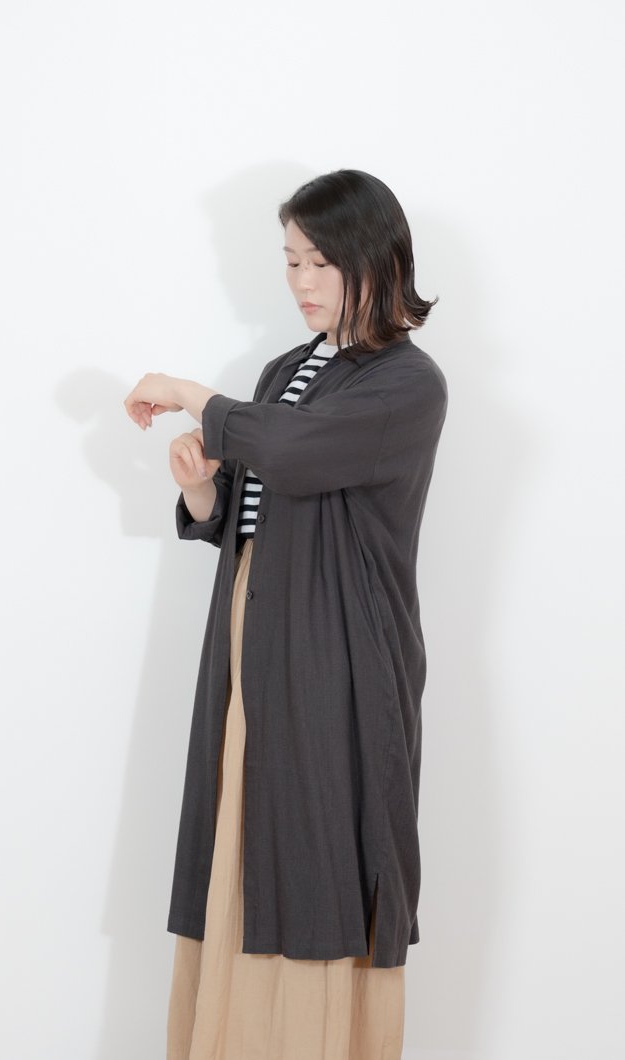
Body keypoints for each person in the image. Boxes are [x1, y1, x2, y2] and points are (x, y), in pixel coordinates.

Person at [123, 169, 449, 1060]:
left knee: (317, 837)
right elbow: (253, 504)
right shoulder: (283, 369)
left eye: (320, 261)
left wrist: (195, 395)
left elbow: (299, 453)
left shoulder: (406, 383)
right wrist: (202, 494)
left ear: (373, 259)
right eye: (290, 260)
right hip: (252, 629)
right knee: (244, 823)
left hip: (338, 645)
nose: (301, 280)